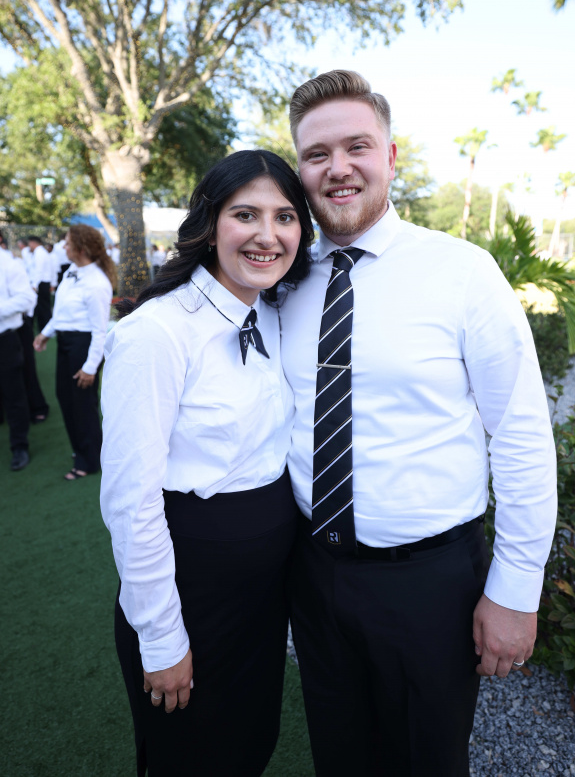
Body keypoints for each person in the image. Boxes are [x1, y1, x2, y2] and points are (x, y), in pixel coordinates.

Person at [280, 70, 557, 777]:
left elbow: (521, 431)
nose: (338, 168)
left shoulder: (463, 273)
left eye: (357, 147)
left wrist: (515, 589)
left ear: (391, 157)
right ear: (300, 171)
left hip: (429, 586)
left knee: (426, 761)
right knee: (340, 757)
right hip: (314, 574)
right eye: (316, 154)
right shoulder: (281, 281)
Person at [100, 150, 313, 777]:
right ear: (209, 223)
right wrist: (162, 637)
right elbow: (131, 502)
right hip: (195, 590)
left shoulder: (273, 310)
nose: (267, 234)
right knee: (191, 757)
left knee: (248, 744)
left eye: (285, 217)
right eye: (245, 214)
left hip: (261, 596)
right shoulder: (157, 333)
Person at [33, 225, 115, 480]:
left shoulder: (97, 283)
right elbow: (62, 313)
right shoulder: (71, 271)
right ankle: (82, 447)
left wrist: (90, 367)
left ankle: (89, 460)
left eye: (67, 243)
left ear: (81, 248)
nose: (63, 247)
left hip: (83, 345)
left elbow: (99, 330)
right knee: (65, 397)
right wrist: (46, 333)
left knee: (81, 404)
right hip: (66, 343)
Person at [0, 247, 37, 470]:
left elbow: (26, 298)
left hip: (4, 340)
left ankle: (19, 446)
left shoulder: (8, 264)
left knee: (13, 395)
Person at [28, 235, 54, 331]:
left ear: (33, 242)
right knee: (42, 307)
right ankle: (43, 327)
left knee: (43, 308)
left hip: (41, 283)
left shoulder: (39, 253)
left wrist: (35, 285)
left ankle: (45, 328)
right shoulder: (40, 252)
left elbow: (39, 270)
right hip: (42, 282)